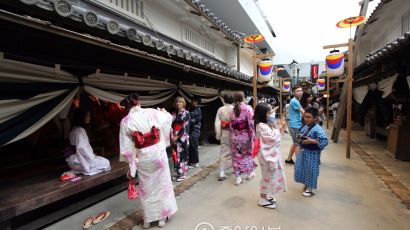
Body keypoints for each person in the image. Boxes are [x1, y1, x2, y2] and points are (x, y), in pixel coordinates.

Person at [119, 93, 177, 228]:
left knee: (147, 187)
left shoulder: (125, 121)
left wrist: (131, 163)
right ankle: (163, 217)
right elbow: (168, 119)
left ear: (127, 107)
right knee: (162, 184)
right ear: (138, 103)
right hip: (158, 153)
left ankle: (148, 219)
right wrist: (164, 112)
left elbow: (127, 148)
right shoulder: (151, 112)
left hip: (143, 156)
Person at [254, 103, 287, 209]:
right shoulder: (261, 125)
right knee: (267, 175)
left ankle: (266, 195)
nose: (271, 114)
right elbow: (272, 138)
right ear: (263, 114)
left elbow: (274, 135)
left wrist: (278, 127)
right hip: (266, 155)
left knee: (269, 175)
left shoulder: (265, 124)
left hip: (268, 153)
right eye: (269, 112)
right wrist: (280, 127)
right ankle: (262, 199)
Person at [294, 107, 328, 197]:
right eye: (305, 117)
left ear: (315, 118)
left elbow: (325, 141)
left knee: (311, 170)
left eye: (309, 117)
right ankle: (307, 184)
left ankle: (310, 189)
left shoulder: (318, 129)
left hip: (312, 154)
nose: (306, 119)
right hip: (303, 151)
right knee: (303, 169)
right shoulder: (306, 126)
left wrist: (312, 141)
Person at [66, 111, 111, 176]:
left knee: (99, 159)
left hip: (72, 161)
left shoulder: (73, 129)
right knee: (106, 162)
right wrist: (92, 156)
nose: (89, 118)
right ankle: (82, 169)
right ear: (81, 118)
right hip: (77, 160)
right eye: (87, 116)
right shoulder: (80, 130)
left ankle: (78, 170)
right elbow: (82, 148)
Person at [230, 91, 256, 186]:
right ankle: (249, 173)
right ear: (244, 97)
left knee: (236, 156)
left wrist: (232, 136)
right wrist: (253, 137)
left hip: (234, 137)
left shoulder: (233, 110)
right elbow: (251, 124)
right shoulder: (247, 108)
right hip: (245, 137)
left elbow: (231, 125)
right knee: (247, 155)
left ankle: (238, 177)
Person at [214, 92, 234, 181]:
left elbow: (217, 122)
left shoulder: (220, 109)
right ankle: (235, 168)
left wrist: (218, 134)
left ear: (224, 100)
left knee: (223, 152)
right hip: (234, 133)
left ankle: (222, 171)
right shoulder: (234, 109)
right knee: (234, 151)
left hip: (225, 133)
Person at [171, 97, 191, 182]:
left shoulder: (186, 113)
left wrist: (177, 136)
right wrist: (172, 136)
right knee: (176, 155)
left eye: (180, 102)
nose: (178, 104)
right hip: (174, 136)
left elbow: (185, 126)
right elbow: (170, 125)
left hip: (182, 137)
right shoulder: (174, 114)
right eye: (177, 102)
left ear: (183, 103)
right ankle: (178, 173)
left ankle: (183, 174)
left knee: (182, 155)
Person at [285, 85, 305, 165]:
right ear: (293, 92)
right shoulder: (294, 101)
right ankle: (299, 164)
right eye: (298, 91)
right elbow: (303, 112)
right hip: (295, 125)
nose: (300, 92)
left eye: (301, 90)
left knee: (295, 142)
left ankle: (289, 159)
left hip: (295, 124)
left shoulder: (296, 100)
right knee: (298, 144)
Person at [188, 96, 202, 168]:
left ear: (196, 102)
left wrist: (188, 120)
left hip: (195, 129)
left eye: (193, 101)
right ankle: (191, 162)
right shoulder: (191, 108)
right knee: (191, 146)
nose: (191, 102)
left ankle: (195, 162)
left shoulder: (198, 110)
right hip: (191, 129)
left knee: (194, 145)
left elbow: (196, 120)